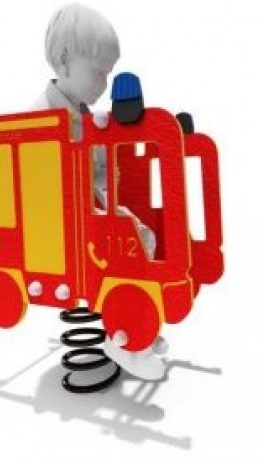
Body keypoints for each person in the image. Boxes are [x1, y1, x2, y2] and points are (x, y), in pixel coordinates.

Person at [34, 3, 166, 380]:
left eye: (108, 74)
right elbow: (47, 184)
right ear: (64, 61)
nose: (103, 85)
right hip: (67, 222)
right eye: (98, 72)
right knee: (134, 242)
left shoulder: (86, 118)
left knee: (142, 238)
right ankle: (125, 336)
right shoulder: (42, 119)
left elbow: (104, 169)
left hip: (93, 205)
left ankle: (138, 320)